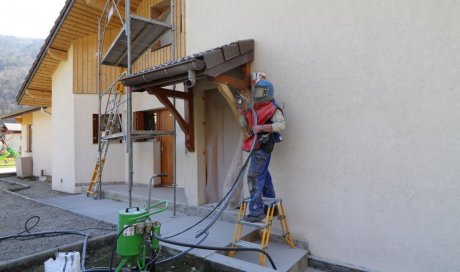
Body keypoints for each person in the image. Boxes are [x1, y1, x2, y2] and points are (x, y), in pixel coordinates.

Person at [239, 78, 285, 222]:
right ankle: (271, 208)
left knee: (254, 177)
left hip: (262, 147)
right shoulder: (254, 109)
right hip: (256, 146)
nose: (257, 94)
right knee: (264, 177)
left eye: (260, 91)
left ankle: (256, 211)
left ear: (267, 92)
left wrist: (263, 128)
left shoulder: (273, 108)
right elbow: (245, 126)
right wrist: (242, 113)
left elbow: (281, 125)